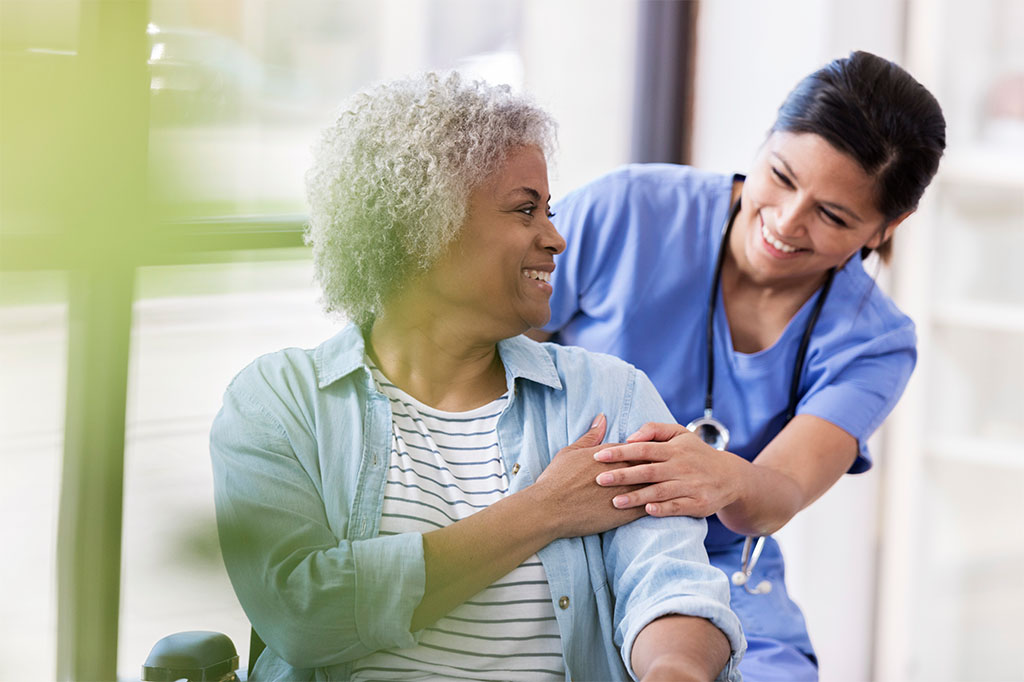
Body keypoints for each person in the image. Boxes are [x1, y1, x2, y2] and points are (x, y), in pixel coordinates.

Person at [210, 72, 744, 681]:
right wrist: (543, 510)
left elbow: (669, 583)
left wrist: (675, 671)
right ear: (422, 229)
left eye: (549, 210)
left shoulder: (607, 395)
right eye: (525, 210)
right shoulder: (280, 402)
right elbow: (303, 615)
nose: (556, 238)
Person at [531, 51, 946, 680]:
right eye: (780, 176)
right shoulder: (631, 209)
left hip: (710, 558)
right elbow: (480, 341)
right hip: (554, 519)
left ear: (887, 226)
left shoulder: (875, 343)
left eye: (833, 216)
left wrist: (727, 479)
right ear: (765, 142)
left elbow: (776, 495)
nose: (786, 222)